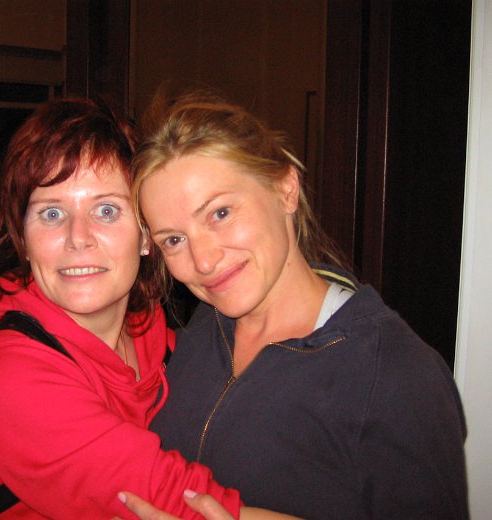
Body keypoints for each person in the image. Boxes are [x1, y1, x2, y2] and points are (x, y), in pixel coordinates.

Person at [0, 96, 296, 520]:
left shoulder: (156, 338)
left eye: (106, 210)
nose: (78, 238)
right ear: (24, 242)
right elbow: (182, 502)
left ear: (145, 237)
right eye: (51, 213)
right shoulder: (6, 375)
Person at [120, 91, 469, 519]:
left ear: (285, 189)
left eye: (220, 213)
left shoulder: (395, 374)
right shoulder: (201, 331)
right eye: (174, 239)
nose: (204, 261)